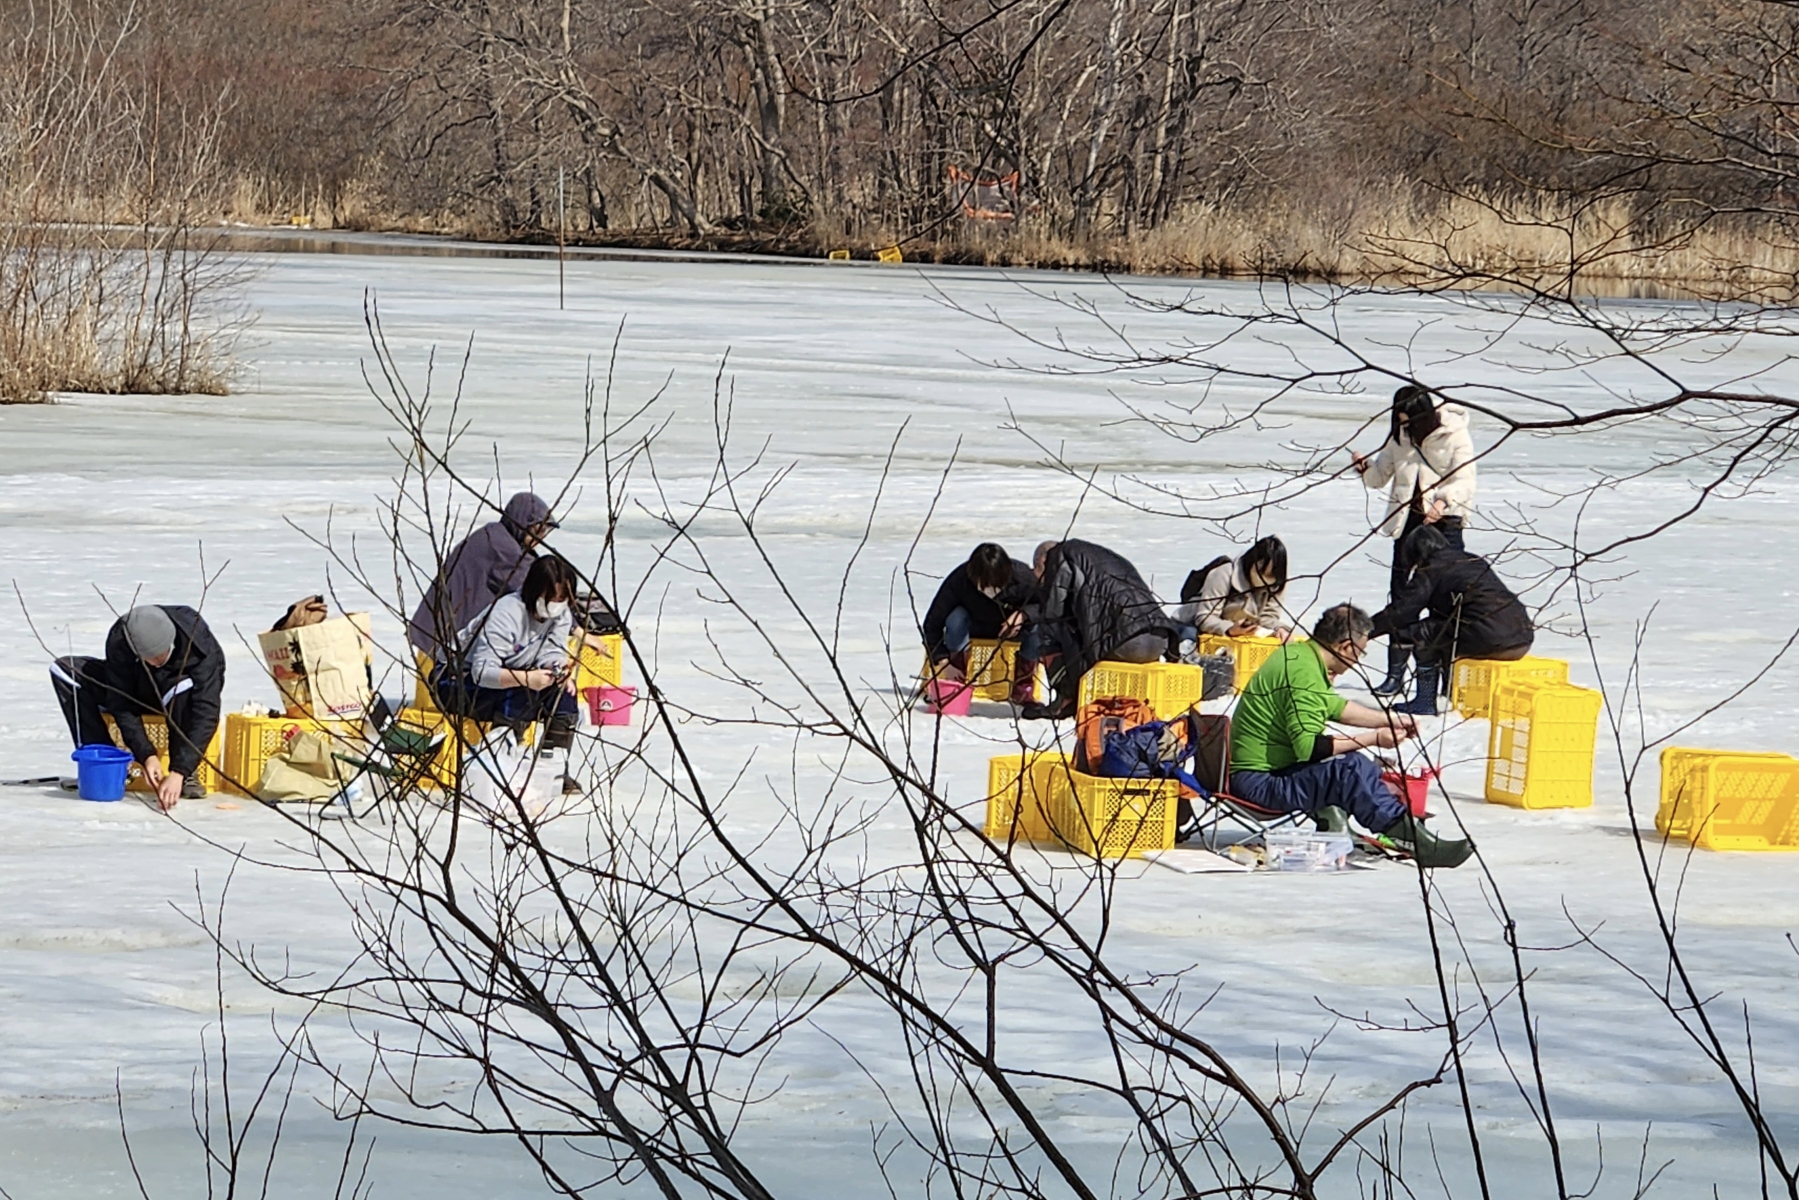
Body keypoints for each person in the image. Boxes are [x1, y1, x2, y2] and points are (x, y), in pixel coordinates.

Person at [1227, 603, 1471, 867]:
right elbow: (1309, 749)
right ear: (1345, 647)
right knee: (1351, 769)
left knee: (1349, 763)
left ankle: (1351, 828)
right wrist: (1373, 738)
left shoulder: (1299, 655)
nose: (1357, 660)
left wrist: (1386, 719)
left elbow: (1334, 706)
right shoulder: (1303, 674)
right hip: (1260, 783)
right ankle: (1415, 841)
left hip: (1263, 772)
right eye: (1360, 652)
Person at [1352, 385, 1477, 696]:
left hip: (1444, 525)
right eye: (1399, 418)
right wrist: (1364, 468)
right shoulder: (1401, 435)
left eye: (1407, 417)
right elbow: (1380, 476)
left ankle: (1444, 679)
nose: (1403, 423)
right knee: (1401, 599)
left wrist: (1442, 502)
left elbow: (1466, 479)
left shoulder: (1453, 433)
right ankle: (1395, 675)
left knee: (1444, 601)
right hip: (1407, 525)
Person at [49, 604, 225, 810]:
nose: (153, 662)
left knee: (184, 686)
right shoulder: (121, 637)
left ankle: (185, 777)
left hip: (172, 693)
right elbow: (120, 701)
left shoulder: (200, 643)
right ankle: (106, 762)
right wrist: (147, 756)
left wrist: (180, 770)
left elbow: (207, 711)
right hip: (135, 688)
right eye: (147, 658)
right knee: (63, 670)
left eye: (159, 656)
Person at [431, 556, 582, 768]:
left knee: (563, 695)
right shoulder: (506, 613)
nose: (556, 605)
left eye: (562, 599)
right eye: (551, 598)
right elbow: (482, 672)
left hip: (513, 673)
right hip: (456, 678)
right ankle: (504, 765)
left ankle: (554, 768)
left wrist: (557, 669)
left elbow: (552, 649)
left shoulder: (561, 614)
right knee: (521, 691)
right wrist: (526, 678)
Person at [1370, 525, 1533, 716]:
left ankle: (1425, 700)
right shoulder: (1472, 560)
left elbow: (1403, 611)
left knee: (1424, 632)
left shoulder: (1432, 568)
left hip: (1491, 639)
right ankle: (1446, 690)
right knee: (1444, 629)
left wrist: (1365, 630)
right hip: (1522, 636)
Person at [1027, 539, 1181, 720]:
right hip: (1160, 638)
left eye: (1038, 574)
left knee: (1048, 630)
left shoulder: (1060, 558)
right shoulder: (1104, 557)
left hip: (1126, 643)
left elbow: (1054, 613)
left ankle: (1065, 700)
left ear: (1042, 562)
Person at [408, 491, 558, 661]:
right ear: (521, 523)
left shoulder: (495, 535)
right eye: (538, 529)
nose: (542, 536)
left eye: (545, 530)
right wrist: (575, 624)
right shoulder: (501, 547)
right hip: (441, 644)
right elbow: (537, 589)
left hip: (434, 639)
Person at [921, 543, 1041, 704]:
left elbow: (1046, 606)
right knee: (956, 617)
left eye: (998, 586)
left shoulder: (1023, 577)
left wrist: (1023, 615)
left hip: (1011, 630)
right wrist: (944, 662)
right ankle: (956, 679)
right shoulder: (959, 580)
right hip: (973, 627)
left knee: (1037, 626)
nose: (992, 591)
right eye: (986, 586)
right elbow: (932, 623)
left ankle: (1022, 688)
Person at [1178, 535, 1295, 640]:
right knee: (1190, 637)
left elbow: (1267, 617)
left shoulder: (1276, 584)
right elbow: (1205, 617)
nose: (1265, 579)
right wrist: (1230, 628)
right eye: (1261, 572)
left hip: (1237, 634)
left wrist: (1279, 628)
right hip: (1192, 626)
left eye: (1271, 576)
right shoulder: (1225, 573)